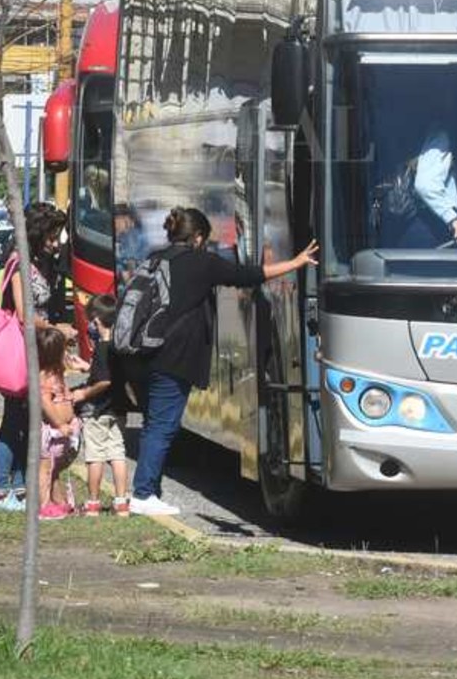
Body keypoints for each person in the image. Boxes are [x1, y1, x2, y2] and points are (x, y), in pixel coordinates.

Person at [128, 207, 318, 516]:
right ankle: (143, 493)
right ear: (198, 237)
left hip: (146, 354)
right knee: (162, 427)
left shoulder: (156, 258)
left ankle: (150, 490)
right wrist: (296, 262)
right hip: (174, 357)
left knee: (154, 424)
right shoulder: (202, 262)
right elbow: (248, 276)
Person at [0, 206, 78, 512]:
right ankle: (1, 490)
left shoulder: (40, 263)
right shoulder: (19, 263)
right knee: (14, 419)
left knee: (27, 420)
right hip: (22, 351)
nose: (55, 243)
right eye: (52, 237)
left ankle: (20, 487)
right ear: (38, 235)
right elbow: (25, 315)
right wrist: (56, 328)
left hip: (38, 350)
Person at [77, 293, 127, 516]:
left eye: (91, 321)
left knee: (95, 456)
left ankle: (93, 502)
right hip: (118, 408)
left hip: (98, 411)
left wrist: (83, 393)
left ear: (97, 320)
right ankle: (121, 501)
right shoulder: (119, 347)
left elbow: (104, 380)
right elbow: (110, 373)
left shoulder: (101, 348)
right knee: (117, 454)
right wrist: (87, 368)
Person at [35, 326, 82, 521]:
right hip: (51, 430)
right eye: (64, 349)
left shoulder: (58, 371)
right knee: (45, 468)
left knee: (54, 469)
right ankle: (44, 506)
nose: (67, 351)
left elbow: (71, 361)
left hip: (64, 428)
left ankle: (59, 501)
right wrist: (59, 423)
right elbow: (45, 403)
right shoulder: (44, 376)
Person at [412, 127, 457, 246]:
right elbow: (424, 184)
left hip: (441, 228)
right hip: (432, 229)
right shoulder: (442, 138)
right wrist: (453, 219)